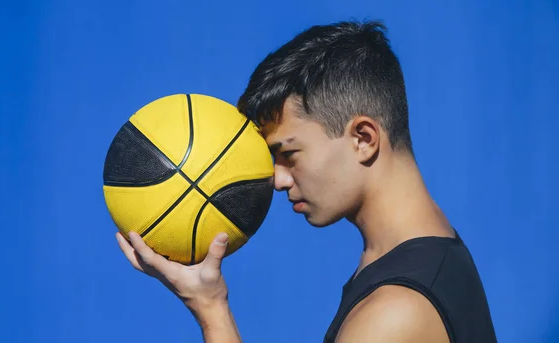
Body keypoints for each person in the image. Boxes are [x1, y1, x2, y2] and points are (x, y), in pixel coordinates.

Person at [115, 20, 497, 342]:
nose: (277, 179)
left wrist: (210, 311)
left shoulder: (394, 315)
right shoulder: (422, 256)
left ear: (363, 139)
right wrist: (210, 302)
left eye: (289, 154)